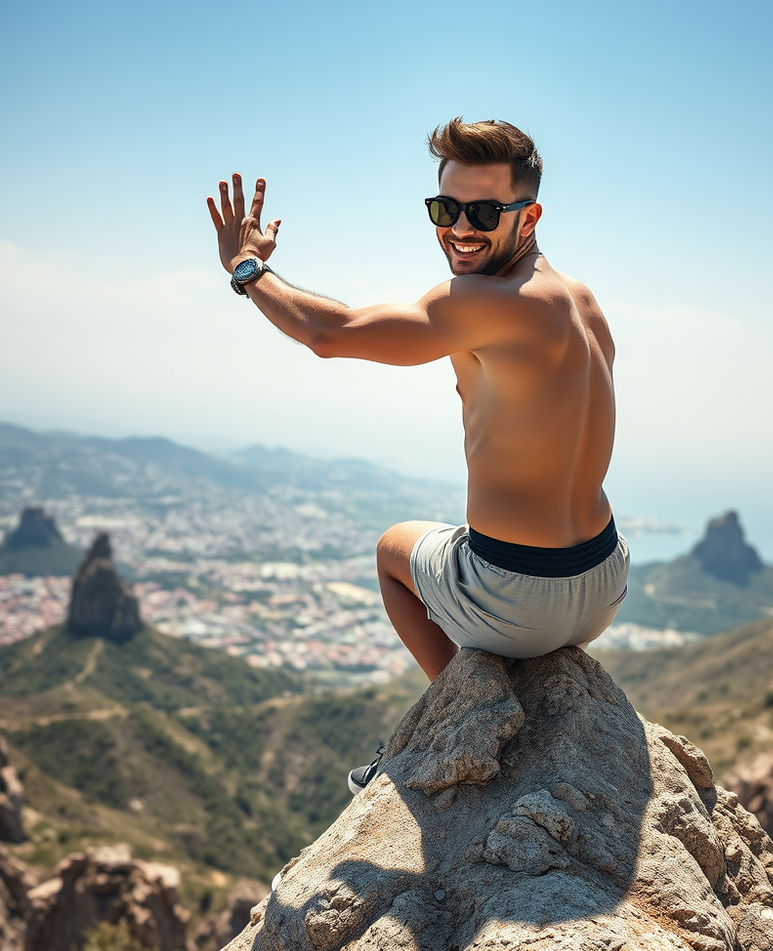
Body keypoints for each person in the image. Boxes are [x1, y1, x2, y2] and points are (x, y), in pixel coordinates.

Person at [208, 118, 629, 790]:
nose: (460, 228)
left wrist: (247, 269)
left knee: (391, 550)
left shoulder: (485, 300)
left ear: (529, 217)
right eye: (445, 209)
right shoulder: (582, 301)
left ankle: (460, 714)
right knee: (461, 540)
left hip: (520, 596)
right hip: (604, 580)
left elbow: (330, 333)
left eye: (483, 213)